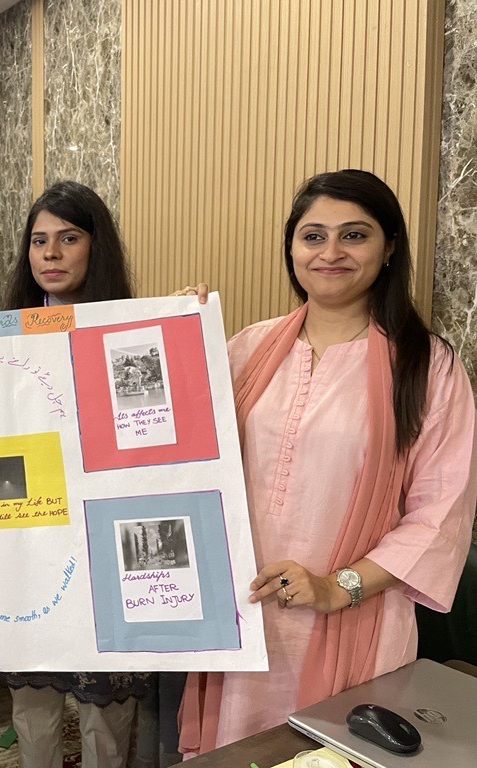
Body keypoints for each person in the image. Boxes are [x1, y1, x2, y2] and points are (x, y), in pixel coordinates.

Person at [178, 169, 477, 755]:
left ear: (390, 247)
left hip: (351, 621)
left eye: (354, 235)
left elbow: (437, 516)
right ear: (291, 248)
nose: (331, 252)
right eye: (313, 236)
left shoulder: (428, 367)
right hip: (242, 614)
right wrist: (176, 344)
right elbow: (180, 459)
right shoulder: (244, 349)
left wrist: (336, 587)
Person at [0, 180, 207, 768]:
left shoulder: (135, 333)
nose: (51, 254)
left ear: (97, 248)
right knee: (33, 698)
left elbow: (174, 426)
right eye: (39, 241)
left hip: (109, 536)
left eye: (68, 238)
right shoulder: (0, 336)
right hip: (30, 534)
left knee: (106, 705)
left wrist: (182, 323)